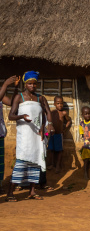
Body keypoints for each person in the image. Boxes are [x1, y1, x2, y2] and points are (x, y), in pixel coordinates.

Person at [6, 71, 54, 201]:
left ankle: (32, 191)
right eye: (30, 83)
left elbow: (48, 112)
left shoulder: (40, 98)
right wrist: (21, 117)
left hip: (37, 135)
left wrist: (48, 124)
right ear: (25, 84)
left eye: (34, 84)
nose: (32, 86)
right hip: (25, 136)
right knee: (21, 161)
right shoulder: (19, 97)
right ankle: (10, 192)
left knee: (35, 161)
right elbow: (11, 116)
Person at [0, 76, 20, 193]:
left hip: (0, 133)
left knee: (0, 162)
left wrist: (16, 88)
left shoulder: (1, 95)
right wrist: (6, 84)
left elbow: (13, 103)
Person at [47, 95, 72, 173]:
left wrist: (64, 129)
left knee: (59, 150)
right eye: (58, 103)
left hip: (59, 135)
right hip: (51, 134)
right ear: (54, 104)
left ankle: (58, 165)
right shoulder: (52, 112)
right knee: (51, 150)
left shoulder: (63, 113)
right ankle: (51, 164)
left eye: (61, 103)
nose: (60, 105)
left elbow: (69, 121)